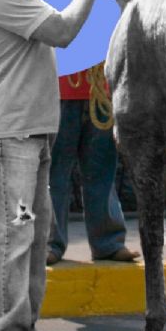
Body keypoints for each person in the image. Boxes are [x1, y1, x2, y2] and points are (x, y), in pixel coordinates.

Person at [0, 0, 127, 331]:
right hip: (8, 139)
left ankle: (20, 324)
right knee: (14, 237)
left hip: (27, 136)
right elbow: (61, 31)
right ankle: (7, 328)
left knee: (32, 239)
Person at [46, 63, 139, 265]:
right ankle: (49, 243)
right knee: (54, 175)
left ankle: (109, 244)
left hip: (101, 93)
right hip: (56, 93)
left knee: (102, 173)